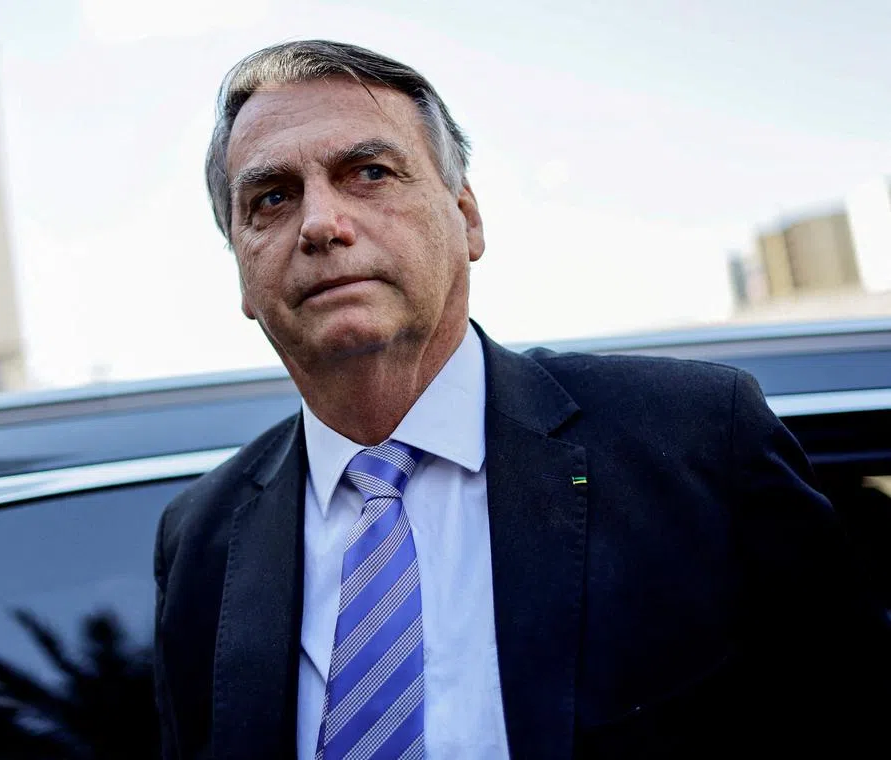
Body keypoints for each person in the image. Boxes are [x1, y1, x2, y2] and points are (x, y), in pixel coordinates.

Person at [153, 40, 889, 760]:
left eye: (369, 172)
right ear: (243, 277)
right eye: (272, 198)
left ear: (467, 217)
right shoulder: (201, 539)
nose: (320, 223)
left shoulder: (698, 439)